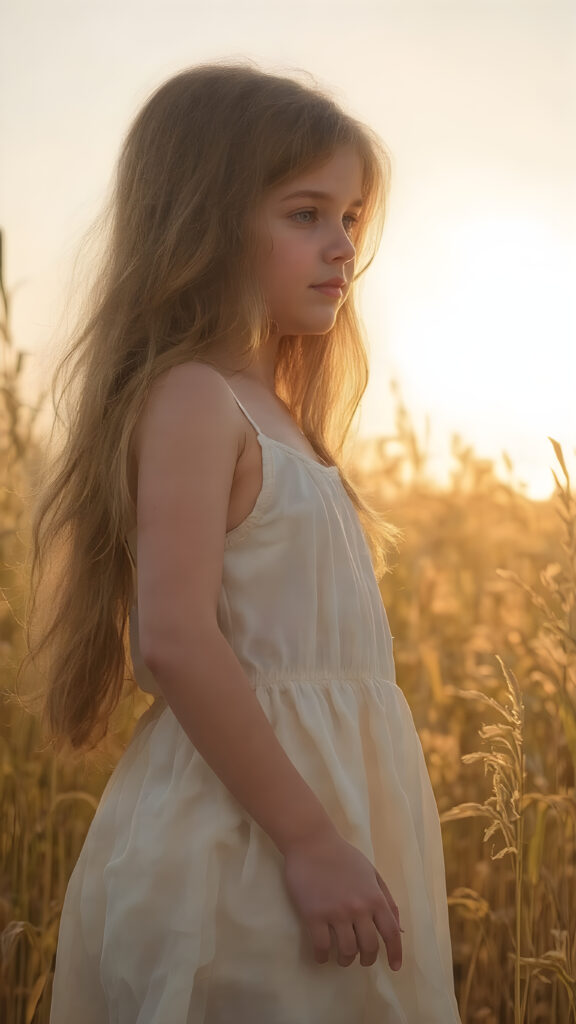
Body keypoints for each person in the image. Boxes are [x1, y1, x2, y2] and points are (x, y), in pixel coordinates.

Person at [25, 60, 462, 1023]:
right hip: (245, 841)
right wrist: (307, 840)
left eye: (350, 218)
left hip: (318, 822)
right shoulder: (196, 398)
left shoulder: (283, 416)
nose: (342, 246)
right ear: (204, 224)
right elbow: (174, 640)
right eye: (305, 214)